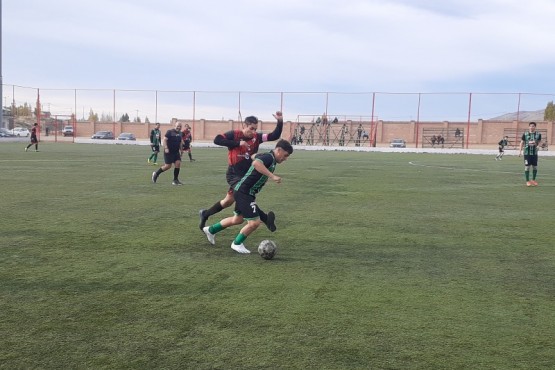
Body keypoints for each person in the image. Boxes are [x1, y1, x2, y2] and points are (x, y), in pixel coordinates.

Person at [202, 139, 293, 254]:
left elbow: (254, 157)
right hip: (244, 192)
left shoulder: (271, 158)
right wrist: (272, 176)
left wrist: (256, 156)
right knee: (254, 223)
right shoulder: (270, 158)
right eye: (285, 155)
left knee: (238, 219)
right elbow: (256, 163)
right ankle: (237, 243)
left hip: (244, 191)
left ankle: (210, 230)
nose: (285, 159)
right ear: (279, 150)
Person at [198, 111, 284, 231]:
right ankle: (265, 219)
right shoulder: (234, 134)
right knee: (246, 195)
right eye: (251, 128)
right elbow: (217, 140)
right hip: (234, 174)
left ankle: (205, 214)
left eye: (255, 129)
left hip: (245, 175)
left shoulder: (257, 137)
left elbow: (274, 136)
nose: (253, 132)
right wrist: (237, 143)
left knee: (228, 202)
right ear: (244, 125)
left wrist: (280, 121)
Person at [151, 121, 184, 186]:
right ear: (175, 126)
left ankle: (175, 180)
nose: (179, 127)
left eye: (180, 126)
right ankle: (156, 174)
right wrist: (166, 148)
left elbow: (180, 142)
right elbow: (165, 140)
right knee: (168, 166)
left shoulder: (180, 133)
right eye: (178, 126)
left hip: (176, 152)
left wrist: (181, 150)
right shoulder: (170, 132)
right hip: (168, 152)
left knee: (178, 163)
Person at [519, 122, 542, 187]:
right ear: (529, 127)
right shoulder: (525, 134)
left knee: (535, 167)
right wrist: (520, 151)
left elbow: (539, 142)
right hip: (527, 153)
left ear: (535, 127)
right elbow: (522, 143)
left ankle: (533, 180)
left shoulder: (538, 134)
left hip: (534, 154)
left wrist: (538, 146)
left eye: (533, 126)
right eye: (530, 126)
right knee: (527, 167)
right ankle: (527, 181)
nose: (532, 127)